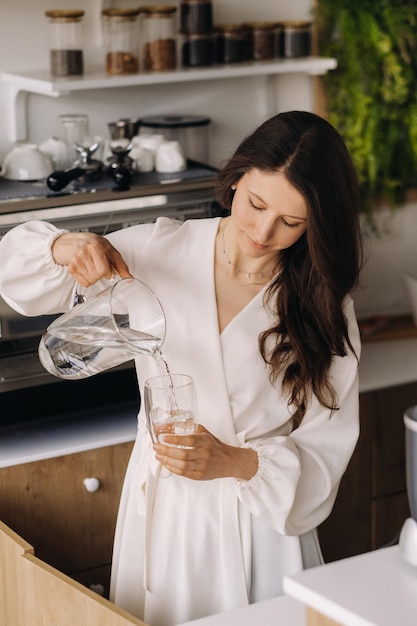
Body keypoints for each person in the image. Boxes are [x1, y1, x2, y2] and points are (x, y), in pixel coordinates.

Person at [0, 110, 362, 626]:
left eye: (291, 222)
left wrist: (236, 463)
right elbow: (12, 271)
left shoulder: (323, 305)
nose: (262, 231)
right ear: (236, 179)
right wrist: (63, 245)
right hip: (165, 504)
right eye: (255, 204)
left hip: (261, 513)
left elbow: (329, 443)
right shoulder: (157, 250)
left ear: (317, 224)